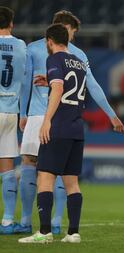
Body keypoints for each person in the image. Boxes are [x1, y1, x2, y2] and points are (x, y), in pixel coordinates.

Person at [16, 10, 124, 235]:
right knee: (68, 177)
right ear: (65, 29)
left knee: (36, 169)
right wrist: (112, 115)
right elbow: (90, 86)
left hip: (47, 117)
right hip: (74, 122)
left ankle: (28, 222)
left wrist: (23, 114)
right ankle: (61, 225)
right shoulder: (78, 58)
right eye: (73, 32)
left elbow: (31, 84)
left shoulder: (39, 49)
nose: (73, 36)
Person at [0, 6, 26, 234]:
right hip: (10, 112)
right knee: (7, 167)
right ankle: (7, 221)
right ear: (11, 24)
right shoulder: (20, 46)